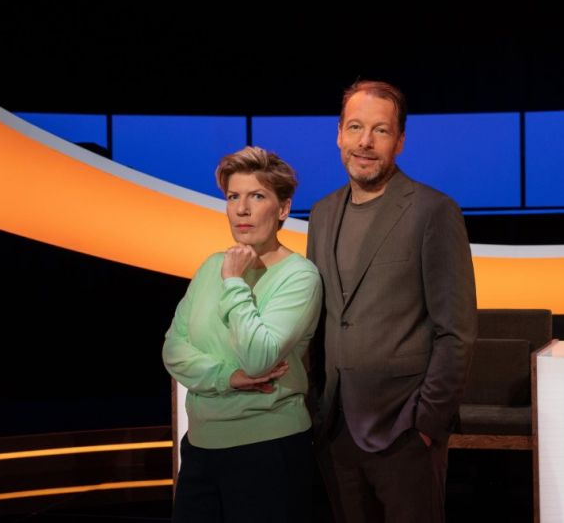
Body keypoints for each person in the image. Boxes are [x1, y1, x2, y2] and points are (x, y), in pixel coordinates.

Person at [307, 80, 477, 522]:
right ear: (339, 134)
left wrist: (426, 424)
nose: (365, 142)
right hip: (336, 430)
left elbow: (455, 331)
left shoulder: (432, 210)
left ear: (399, 141)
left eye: (380, 130)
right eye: (355, 127)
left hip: (404, 432)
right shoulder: (322, 213)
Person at [163, 146, 322, 523]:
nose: (242, 209)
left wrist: (234, 282)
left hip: (269, 449)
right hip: (200, 449)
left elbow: (258, 357)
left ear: (283, 209)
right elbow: (173, 350)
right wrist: (227, 377)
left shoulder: (299, 276)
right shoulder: (212, 266)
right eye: (233, 197)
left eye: (257, 196)